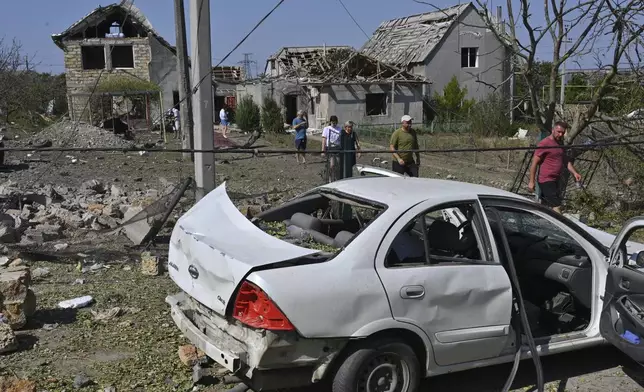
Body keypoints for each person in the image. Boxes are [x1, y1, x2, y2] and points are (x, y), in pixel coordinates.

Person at [528, 121, 582, 213]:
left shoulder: (560, 145)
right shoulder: (544, 143)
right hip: (546, 180)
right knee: (557, 205)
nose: (560, 134)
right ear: (553, 130)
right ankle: (562, 225)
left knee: (546, 207)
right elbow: (534, 164)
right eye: (558, 132)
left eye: (562, 133)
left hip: (556, 180)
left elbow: (566, 161)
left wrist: (575, 173)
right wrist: (531, 181)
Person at [321, 115, 342, 181]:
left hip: (337, 148)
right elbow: (324, 140)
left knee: (338, 165)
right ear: (330, 122)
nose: (334, 124)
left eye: (335, 122)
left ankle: (337, 178)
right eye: (333, 122)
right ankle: (330, 179)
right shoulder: (326, 129)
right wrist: (323, 150)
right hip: (330, 148)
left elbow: (341, 139)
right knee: (332, 165)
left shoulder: (340, 129)